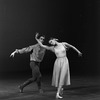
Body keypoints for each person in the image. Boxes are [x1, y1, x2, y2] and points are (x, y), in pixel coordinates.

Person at [35, 33, 82, 99]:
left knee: (62, 77)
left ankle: (57, 93)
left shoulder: (63, 44)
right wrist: (36, 39)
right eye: (50, 43)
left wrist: (78, 52)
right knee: (59, 77)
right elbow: (42, 45)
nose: (51, 43)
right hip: (58, 62)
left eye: (51, 41)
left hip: (65, 61)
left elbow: (72, 46)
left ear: (55, 40)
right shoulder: (52, 48)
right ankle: (60, 89)